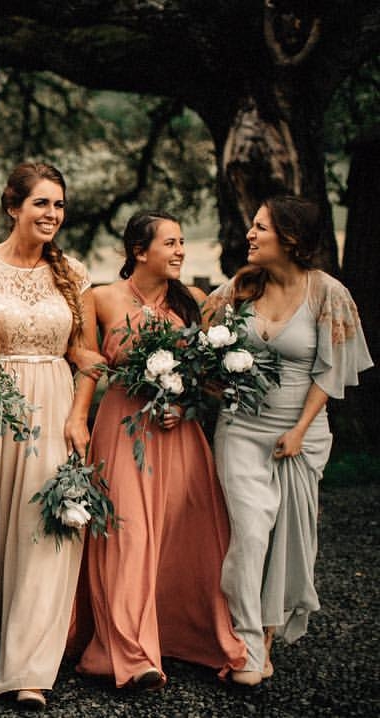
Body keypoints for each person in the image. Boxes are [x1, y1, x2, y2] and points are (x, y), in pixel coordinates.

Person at [71, 210, 247, 689]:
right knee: (127, 537)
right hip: (123, 429)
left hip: (178, 435)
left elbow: (210, 375)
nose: (180, 251)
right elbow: (85, 359)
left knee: (185, 536)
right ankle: (128, 650)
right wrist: (75, 417)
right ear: (138, 251)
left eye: (182, 242)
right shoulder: (101, 298)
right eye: (170, 243)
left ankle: (183, 634)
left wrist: (187, 404)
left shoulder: (193, 301)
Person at [205, 195, 372, 686]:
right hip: (239, 428)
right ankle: (249, 647)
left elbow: (331, 369)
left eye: (261, 228)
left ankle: (267, 639)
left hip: (301, 433)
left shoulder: (327, 292)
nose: (250, 235)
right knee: (252, 532)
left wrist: (298, 431)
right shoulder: (240, 288)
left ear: (291, 239)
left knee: (286, 540)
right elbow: (202, 342)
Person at [0, 162, 98, 709]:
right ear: (13, 207)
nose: (52, 214)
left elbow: (87, 356)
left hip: (57, 403)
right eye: (42, 203)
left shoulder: (74, 273)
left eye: (59, 205)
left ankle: (28, 668)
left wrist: (79, 416)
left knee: (48, 529)